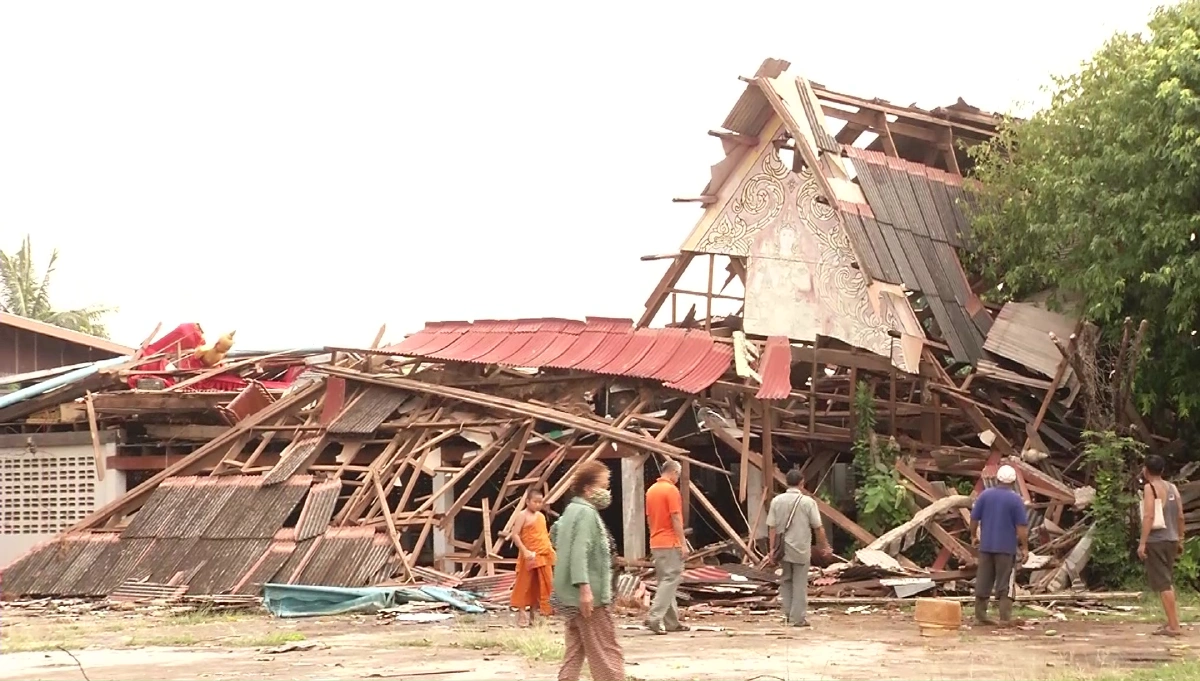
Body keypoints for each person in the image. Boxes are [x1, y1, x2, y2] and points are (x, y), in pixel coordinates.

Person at [550, 461, 625, 681]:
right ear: (588, 489)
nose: (607, 491)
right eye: (604, 484)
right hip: (588, 596)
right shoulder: (585, 514)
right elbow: (579, 552)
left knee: (575, 650)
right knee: (606, 650)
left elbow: (555, 535)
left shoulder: (571, 510)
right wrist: (584, 588)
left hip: (567, 594)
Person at [766, 468, 829, 628]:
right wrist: (824, 546)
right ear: (802, 483)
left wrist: (772, 549)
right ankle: (798, 619)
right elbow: (818, 527)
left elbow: (772, 528)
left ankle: (788, 615)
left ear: (786, 482)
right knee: (799, 583)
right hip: (801, 548)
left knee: (786, 580)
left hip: (782, 549)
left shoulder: (776, 501)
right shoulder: (808, 502)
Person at [969, 463, 1028, 626]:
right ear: (1014, 481)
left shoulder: (985, 496)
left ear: (997, 479)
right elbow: (1021, 528)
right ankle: (1005, 618)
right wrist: (1025, 547)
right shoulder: (1016, 500)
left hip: (986, 547)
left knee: (983, 580)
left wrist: (973, 536)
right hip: (1006, 548)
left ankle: (980, 616)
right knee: (1005, 583)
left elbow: (974, 519)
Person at [1138, 454, 1186, 637]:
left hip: (1157, 540)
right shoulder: (1172, 487)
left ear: (1145, 470)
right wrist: (1181, 538)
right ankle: (1172, 622)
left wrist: (1142, 542)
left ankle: (1174, 626)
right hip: (1172, 539)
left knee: (1164, 584)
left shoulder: (1150, 488)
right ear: (1163, 470)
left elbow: (1149, 515)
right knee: (1167, 581)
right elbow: (1180, 515)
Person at [645, 459, 688, 635]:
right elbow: (675, 518)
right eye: (678, 474)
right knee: (671, 579)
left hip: (656, 541)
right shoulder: (671, 490)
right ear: (674, 472)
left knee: (666, 581)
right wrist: (683, 543)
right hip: (670, 542)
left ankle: (671, 622)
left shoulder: (651, 490)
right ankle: (655, 617)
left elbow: (649, 518)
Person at [510, 489, 557, 627]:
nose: (538, 505)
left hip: (542, 554)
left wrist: (550, 551)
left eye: (540, 502)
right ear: (527, 502)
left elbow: (543, 536)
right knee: (524, 584)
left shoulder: (541, 517)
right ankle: (522, 612)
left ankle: (534, 613)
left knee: (541, 584)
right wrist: (524, 551)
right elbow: (515, 535)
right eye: (535, 502)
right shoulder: (522, 515)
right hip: (529, 556)